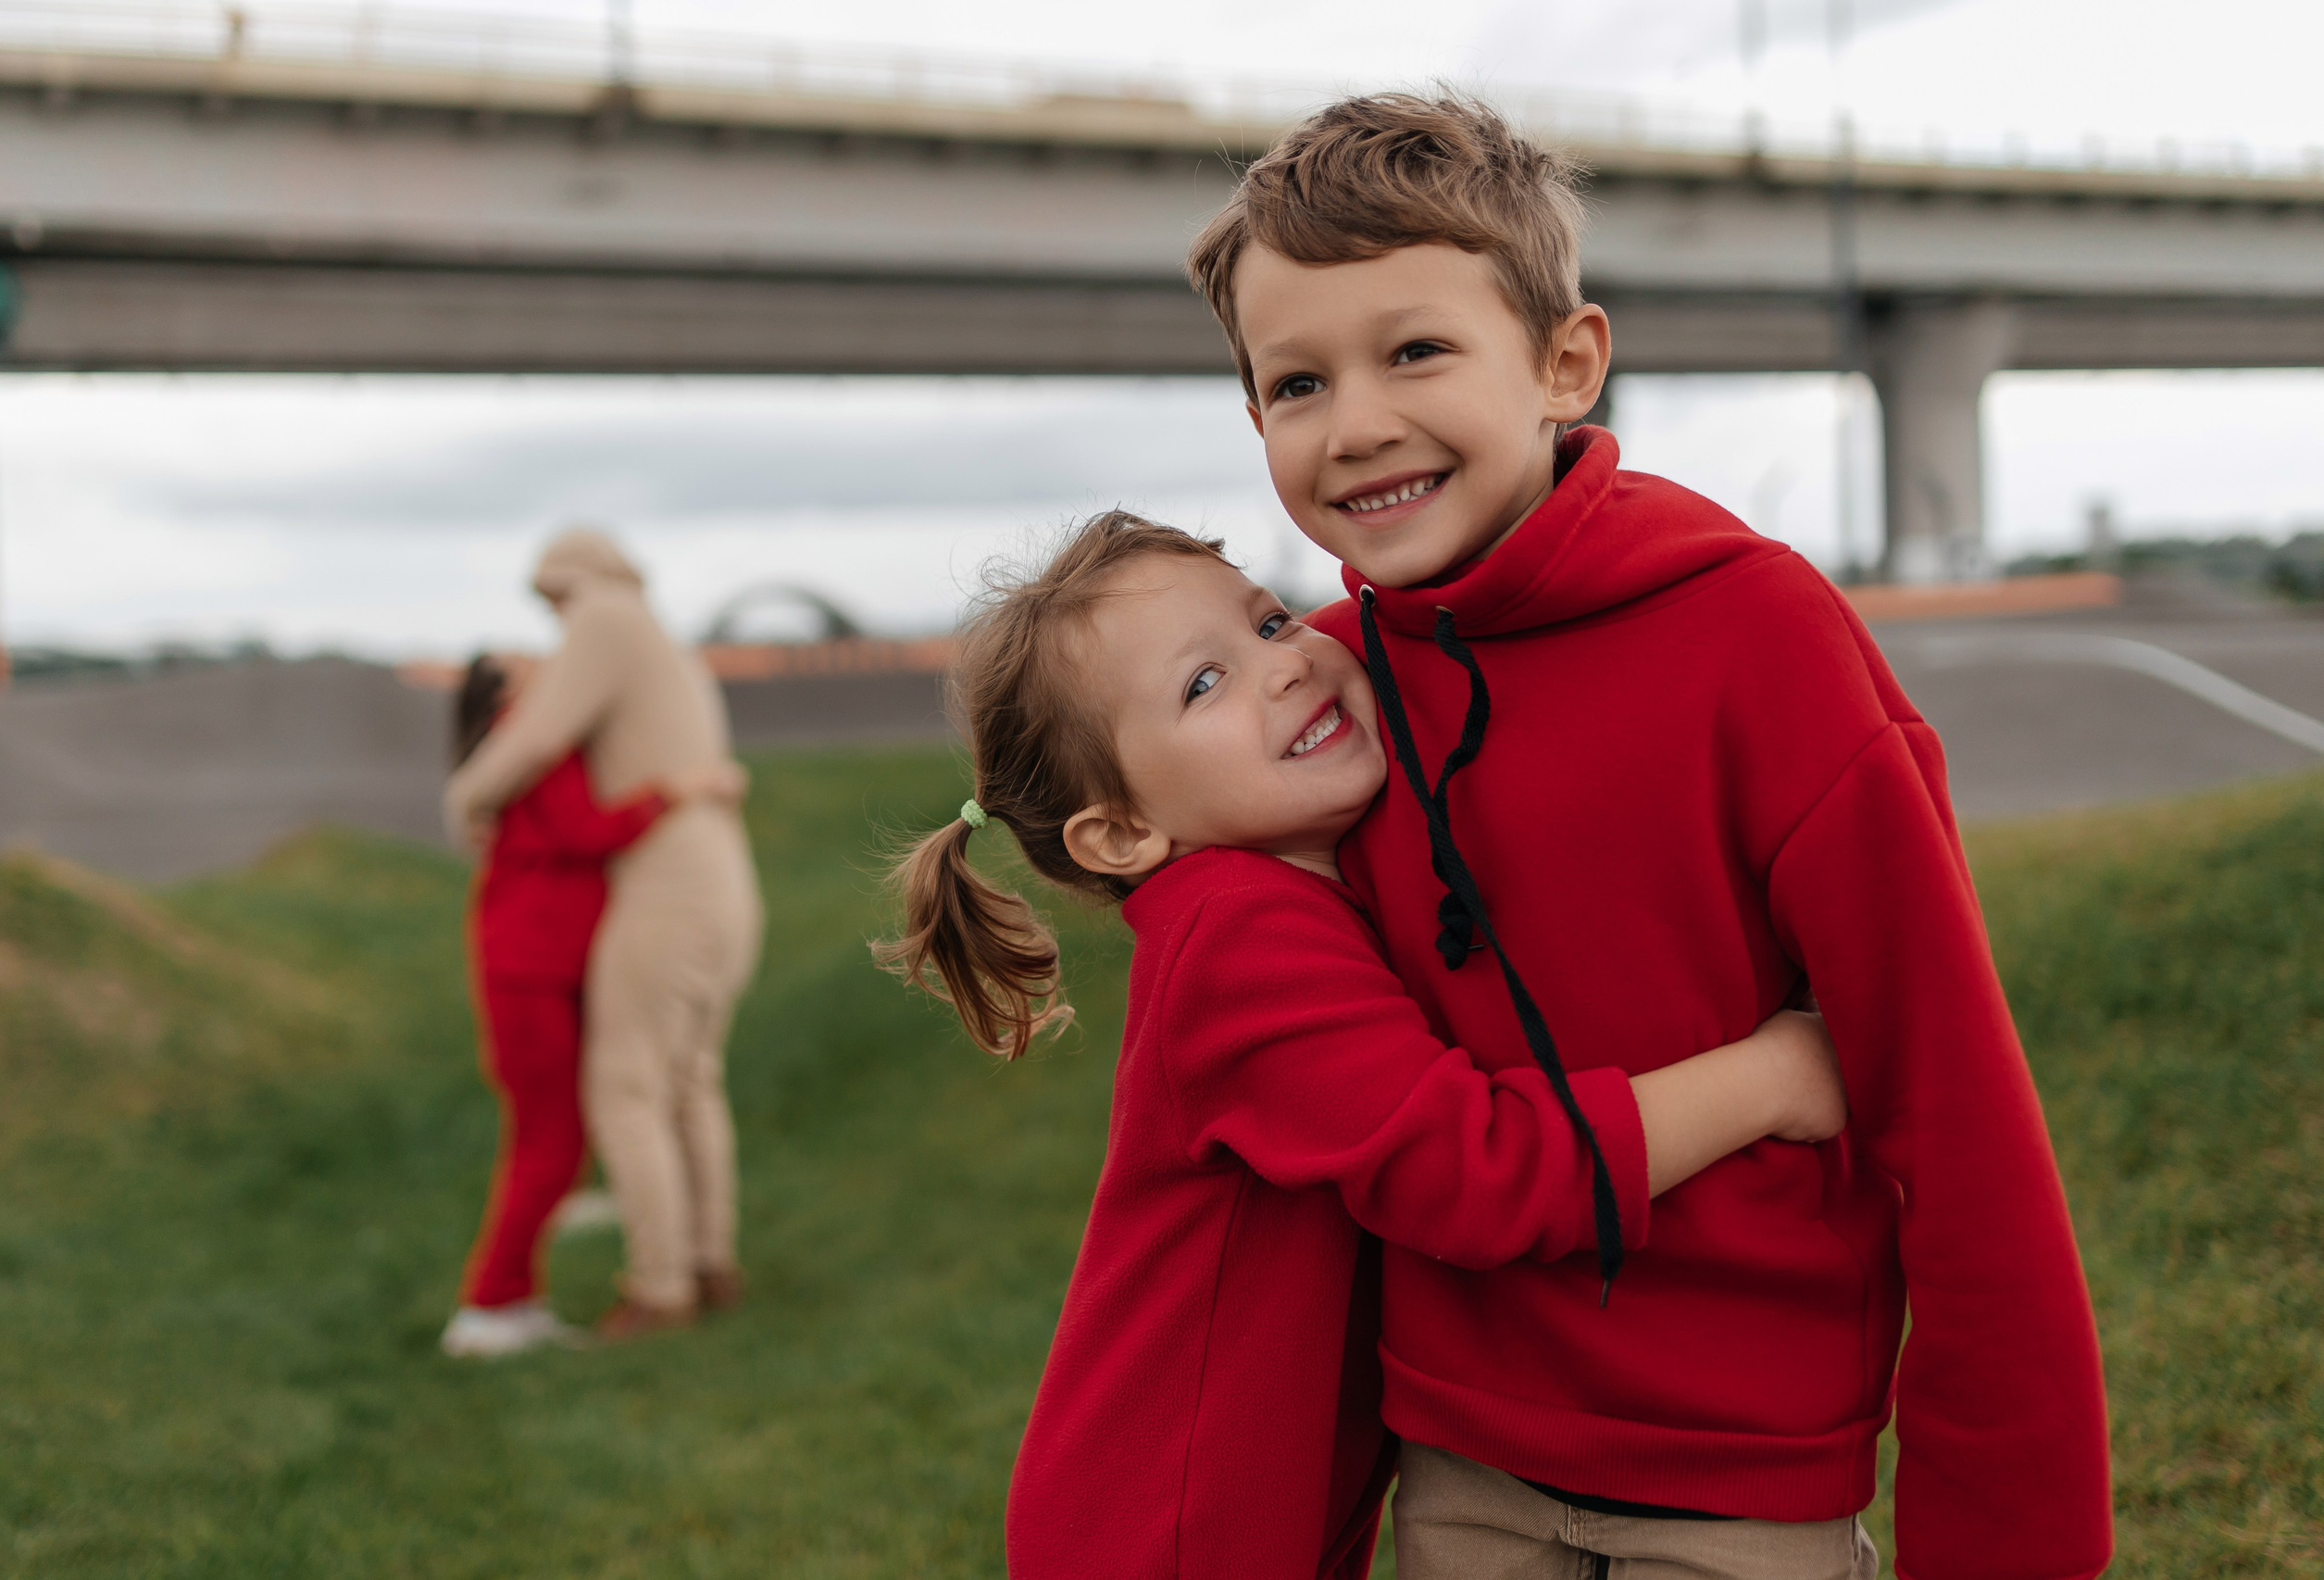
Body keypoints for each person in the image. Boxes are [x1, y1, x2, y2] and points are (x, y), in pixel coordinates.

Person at [1183, 93, 2110, 1577]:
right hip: (1459, 1466)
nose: (1355, 425)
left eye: (1416, 350)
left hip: (1747, 1487)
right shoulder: (1333, 705)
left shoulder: (1764, 642)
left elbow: (1958, 1119)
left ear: (1567, 363)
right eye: (1296, 384)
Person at [876, 512, 1854, 1578]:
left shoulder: (1269, 870)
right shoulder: (1232, 935)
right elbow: (1470, 1172)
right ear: (1120, 836)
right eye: (1204, 685)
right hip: (1169, 1539)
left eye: (1271, 617)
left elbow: (1371, 635)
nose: (1286, 667)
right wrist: (1772, 1078)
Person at [445, 530, 761, 1340]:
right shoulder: (662, 635)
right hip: (725, 882)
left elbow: (534, 738)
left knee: (625, 1090)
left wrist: (466, 799)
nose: (553, 622)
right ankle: (709, 1264)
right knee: (690, 1079)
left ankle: (660, 1290)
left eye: (550, 601)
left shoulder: (605, 616)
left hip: (667, 889)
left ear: (567, 581)